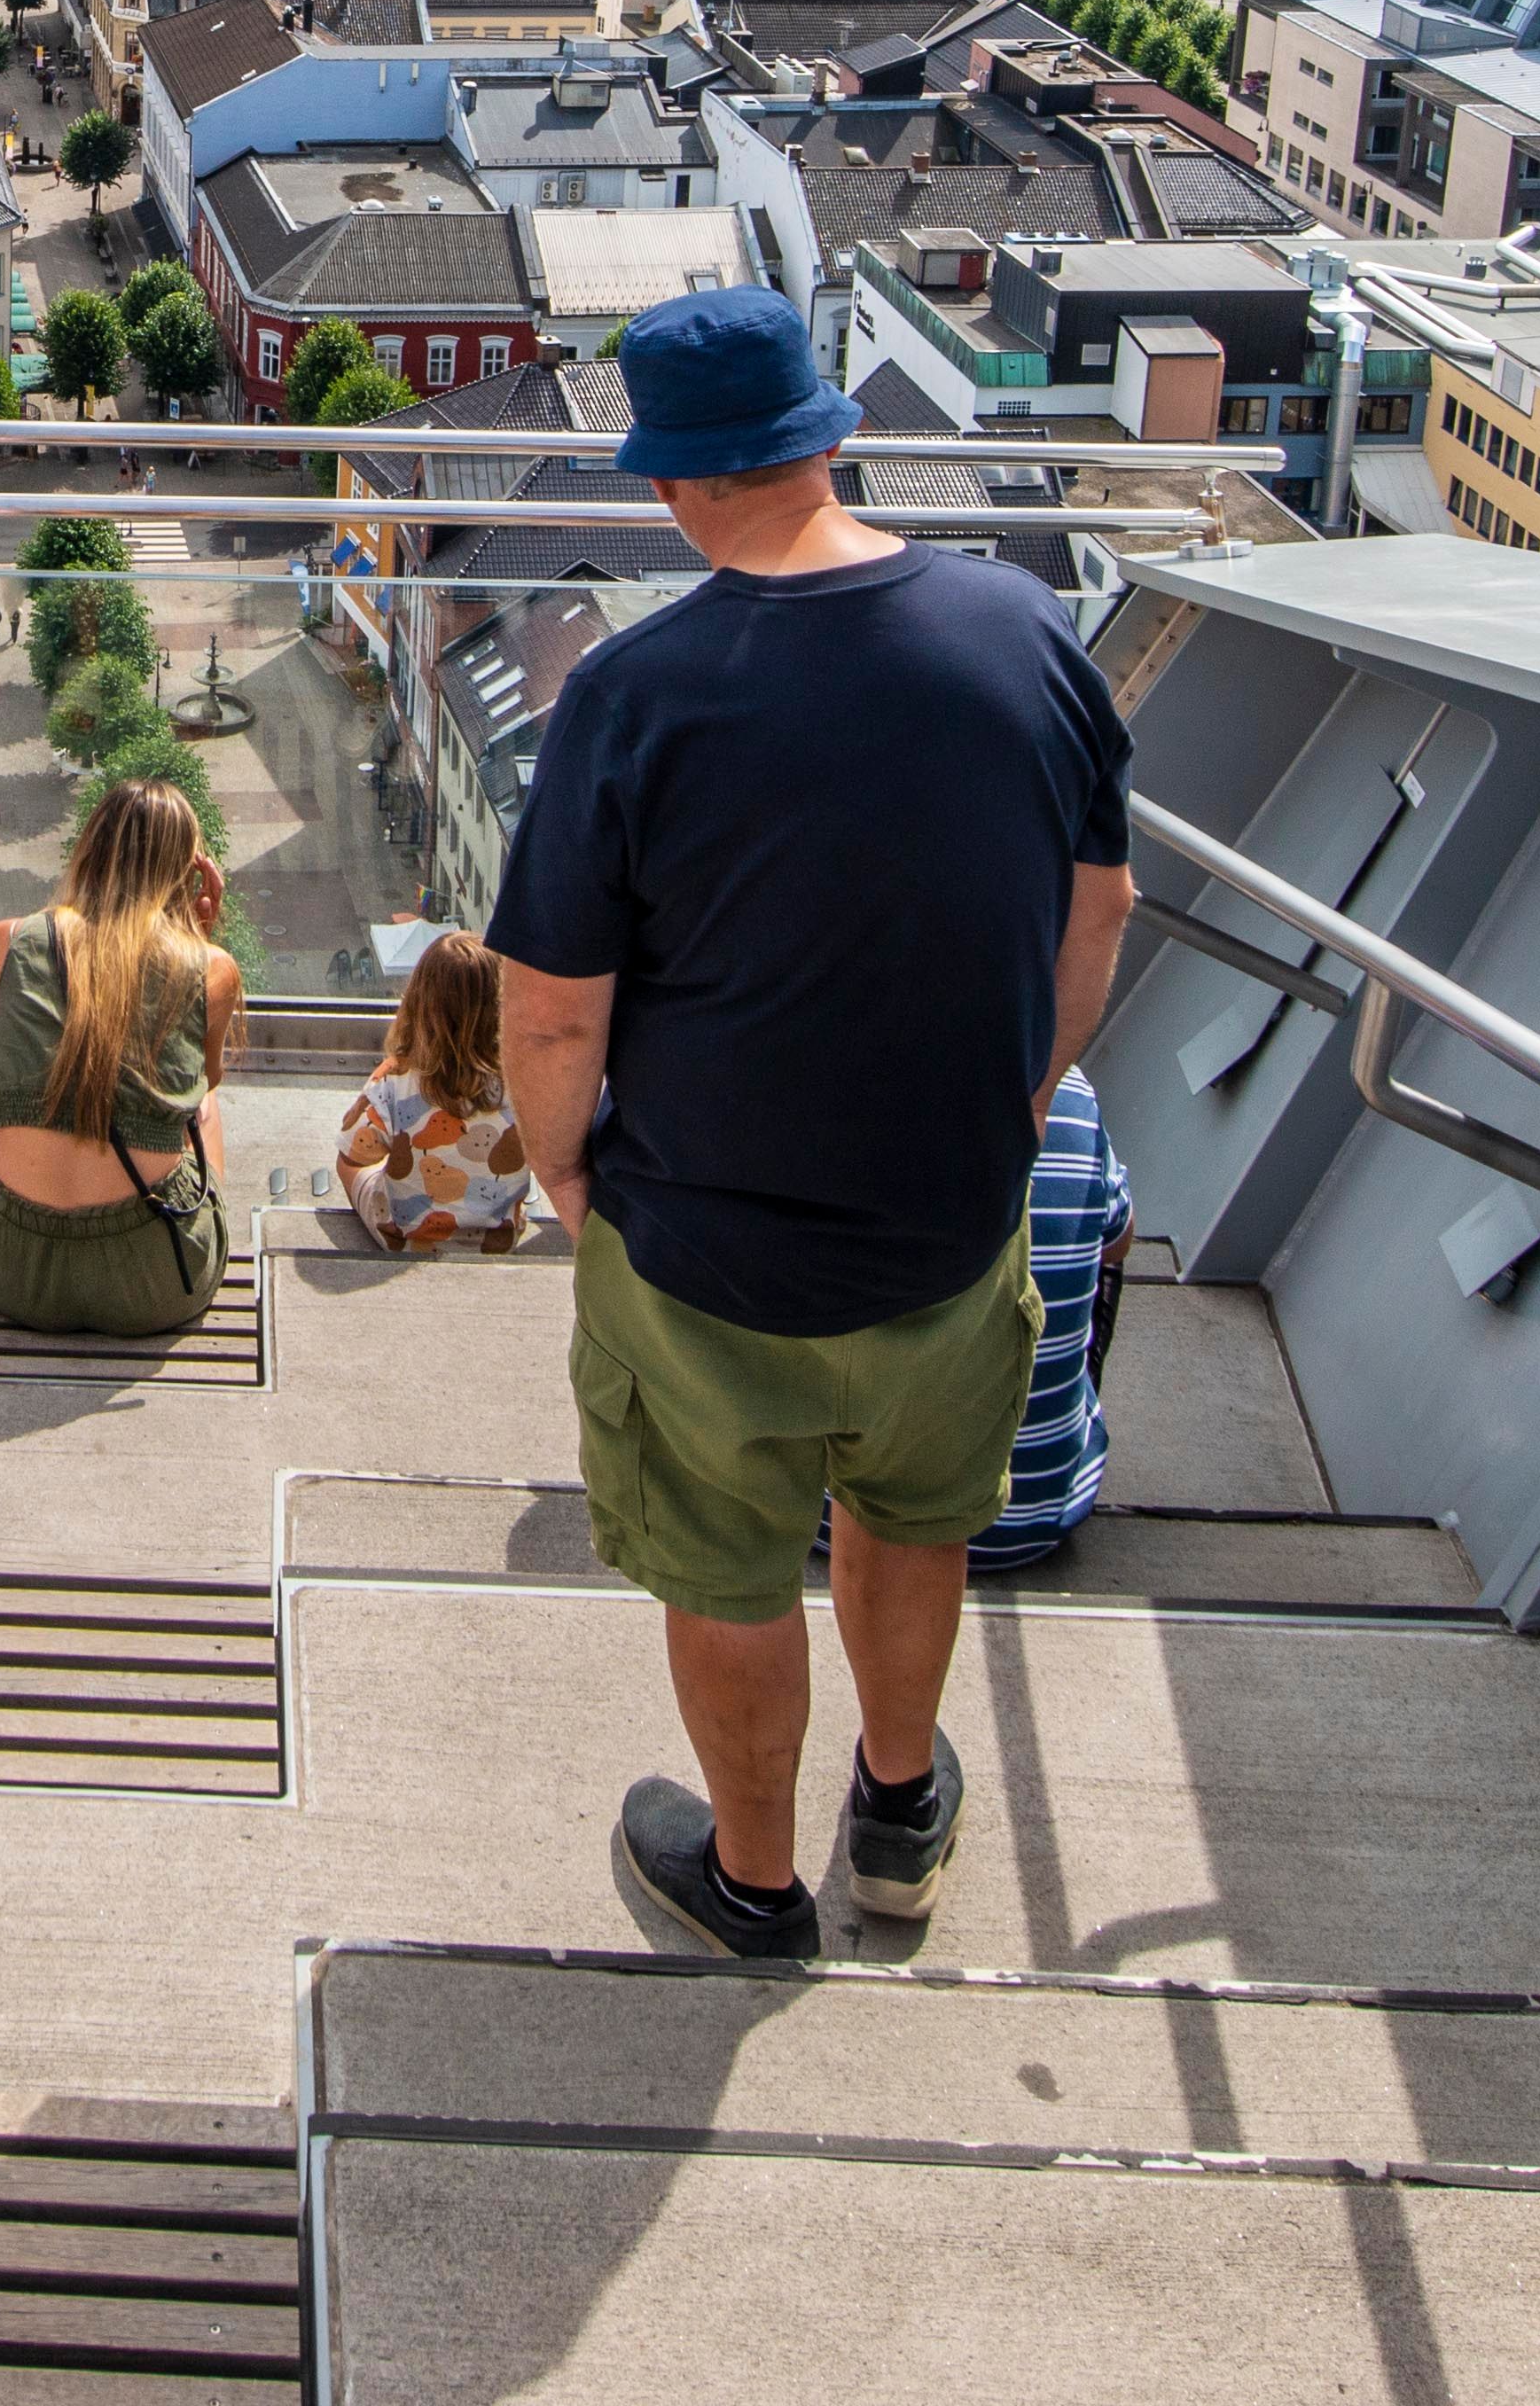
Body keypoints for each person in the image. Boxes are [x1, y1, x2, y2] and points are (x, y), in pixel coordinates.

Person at [497, 282, 1131, 1962]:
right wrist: (1020, 1096)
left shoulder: (635, 695)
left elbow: (552, 1008)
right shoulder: (1025, 635)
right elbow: (1101, 907)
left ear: (666, 481)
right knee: (915, 1521)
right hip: (950, 1224)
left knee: (724, 1565)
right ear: (831, 438)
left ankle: (756, 1883)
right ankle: (901, 1811)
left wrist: (566, 1166)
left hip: (706, 1242)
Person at [0, 779, 243, 1337]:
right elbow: (203, 1080)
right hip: (157, 1277)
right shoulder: (211, 969)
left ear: (88, 848)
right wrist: (198, 941)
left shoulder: (5, 941)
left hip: (14, 1266)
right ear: (185, 873)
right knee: (205, 1100)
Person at [957, 1073, 1138, 1577]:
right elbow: (1120, 1242)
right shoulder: (1070, 1091)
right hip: (1039, 1518)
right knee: (1096, 1250)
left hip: (840, 1525)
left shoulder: (850, 1070)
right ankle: (1047, 1426)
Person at [334, 931, 539, 1254]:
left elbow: (353, 1154)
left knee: (354, 1166)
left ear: (417, 1001)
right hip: (498, 1241)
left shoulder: (394, 1078)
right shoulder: (527, 1079)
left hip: (405, 1242)